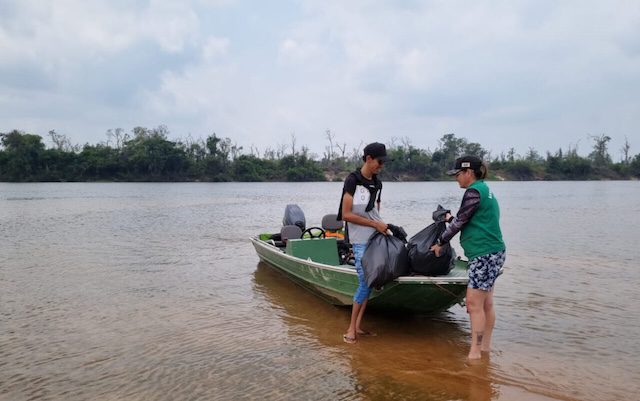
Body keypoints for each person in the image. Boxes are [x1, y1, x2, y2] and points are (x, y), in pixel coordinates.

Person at [430, 156, 506, 359]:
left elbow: (460, 223)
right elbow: (468, 220)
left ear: (468, 172)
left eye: (457, 174)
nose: (456, 178)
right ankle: (484, 349)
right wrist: (448, 217)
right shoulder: (484, 189)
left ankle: (475, 354)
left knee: (473, 304)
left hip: (484, 254)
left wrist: (440, 242)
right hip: (494, 252)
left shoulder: (473, 192)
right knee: (486, 303)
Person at [338, 142, 389, 344]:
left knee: (369, 281)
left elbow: (375, 211)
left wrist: (382, 228)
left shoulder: (377, 183)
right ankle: (350, 328)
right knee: (364, 282)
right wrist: (374, 224)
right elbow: (346, 214)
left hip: (374, 238)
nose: (381, 166)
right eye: (379, 162)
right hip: (359, 239)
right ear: (368, 159)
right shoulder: (352, 180)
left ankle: (358, 326)